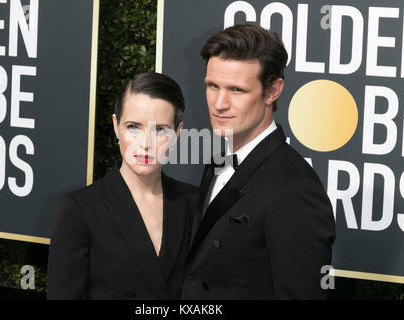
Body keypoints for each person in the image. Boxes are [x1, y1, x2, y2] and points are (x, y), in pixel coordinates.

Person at [181, 23, 336, 299]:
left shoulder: (295, 189)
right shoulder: (219, 159)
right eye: (212, 86)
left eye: (237, 90)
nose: (219, 103)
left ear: (273, 90)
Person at [47, 72, 197, 299]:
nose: (145, 144)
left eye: (159, 130)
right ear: (116, 127)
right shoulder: (81, 209)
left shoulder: (193, 202)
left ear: (177, 132)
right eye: (133, 127)